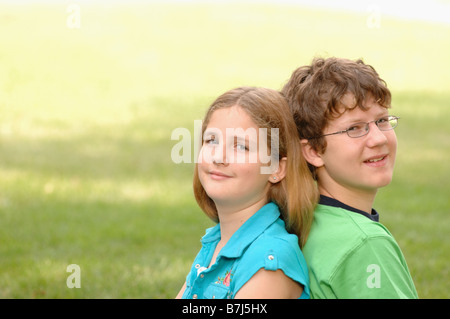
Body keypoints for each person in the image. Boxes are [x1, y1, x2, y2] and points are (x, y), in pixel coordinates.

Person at [281, 57, 418, 298]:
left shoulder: (303, 219)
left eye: (382, 120)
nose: (378, 138)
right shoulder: (365, 243)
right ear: (313, 151)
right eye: (354, 128)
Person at [176, 87, 318, 299]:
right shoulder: (217, 241)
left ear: (277, 169)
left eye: (241, 146)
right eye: (212, 140)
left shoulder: (269, 262)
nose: (219, 157)